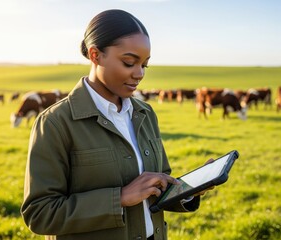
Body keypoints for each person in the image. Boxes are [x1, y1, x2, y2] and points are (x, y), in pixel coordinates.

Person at [21, 9, 204, 240]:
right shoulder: (55, 123)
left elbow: (157, 185)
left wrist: (187, 191)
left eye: (145, 65)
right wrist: (121, 197)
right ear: (95, 55)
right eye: (129, 62)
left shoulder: (146, 113)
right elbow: (40, 214)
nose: (139, 74)